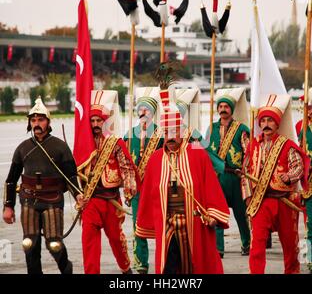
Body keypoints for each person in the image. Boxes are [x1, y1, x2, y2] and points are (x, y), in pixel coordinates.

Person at [135, 63, 230, 274]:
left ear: (182, 130)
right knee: (169, 267)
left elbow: (212, 188)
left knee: (195, 266)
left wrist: (213, 213)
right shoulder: (156, 159)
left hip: (193, 221)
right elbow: (149, 193)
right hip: (167, 221)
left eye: (174, 131)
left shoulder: (197, 154)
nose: (170, 136)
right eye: (166, 132)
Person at [2, 97, 79, 274]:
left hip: (53, 200)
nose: (37, 123)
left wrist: (79, 196)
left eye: (40, 119)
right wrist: (8, 207)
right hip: (29, 201)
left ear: (48, 122)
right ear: (30, 123)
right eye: (33, 120)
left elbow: (71, 176)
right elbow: (11, 180)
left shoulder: (60, 147)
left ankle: (66, 269)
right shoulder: (22, 148)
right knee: (30, 244)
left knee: (55, 244)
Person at [241, 94, 309, 274]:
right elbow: (245, 172)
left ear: (277, 124)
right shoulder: (253, 145)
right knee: (257, 246)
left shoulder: (287, 145)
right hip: (260, 201)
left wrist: (290, 176)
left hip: (285, 201)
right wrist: (247, 196)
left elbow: (298, 166)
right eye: (263, 120)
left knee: (290, 246)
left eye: (270, 120)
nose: (266, 124)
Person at [77, 90, 138, 274]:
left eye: (99, 120)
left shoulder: (115, 142)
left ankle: (126, 269)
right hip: (91, 201)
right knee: (89, 243)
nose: (95, 124)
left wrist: (129, 190)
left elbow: (127, 167)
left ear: (105, 121)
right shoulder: (83, 144)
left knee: (116, 240)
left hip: (111, 201)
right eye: (92, 121)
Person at [206, 87, 251, 258]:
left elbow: (248, 152)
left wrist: (244, 171)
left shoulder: (242, 129)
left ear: (231, 109)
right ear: (217, 109)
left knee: (241, 214)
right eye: (220, 106)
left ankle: (247, 244)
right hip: (217, 177)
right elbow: (204, 151)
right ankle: (218, 249)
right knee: (217, 213)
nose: (223, 109)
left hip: (235, 176)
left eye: (226, 106)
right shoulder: (211, 128)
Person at [124, 87, 163, 274]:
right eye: (140, 108)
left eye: (147, 109)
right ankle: (141, 263)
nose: (143, 112)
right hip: (137, 189)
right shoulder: (128, 134)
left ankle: (165, 262)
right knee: (137, 227)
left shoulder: (161, 134)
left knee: (163, 225)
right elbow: (122, 163)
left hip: (157, 188)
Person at [297, 88, 312, 273]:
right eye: (308, 107)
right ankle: (308, 259)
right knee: (308, 224)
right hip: (308, 183)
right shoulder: (300, 126)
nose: (310, 110)